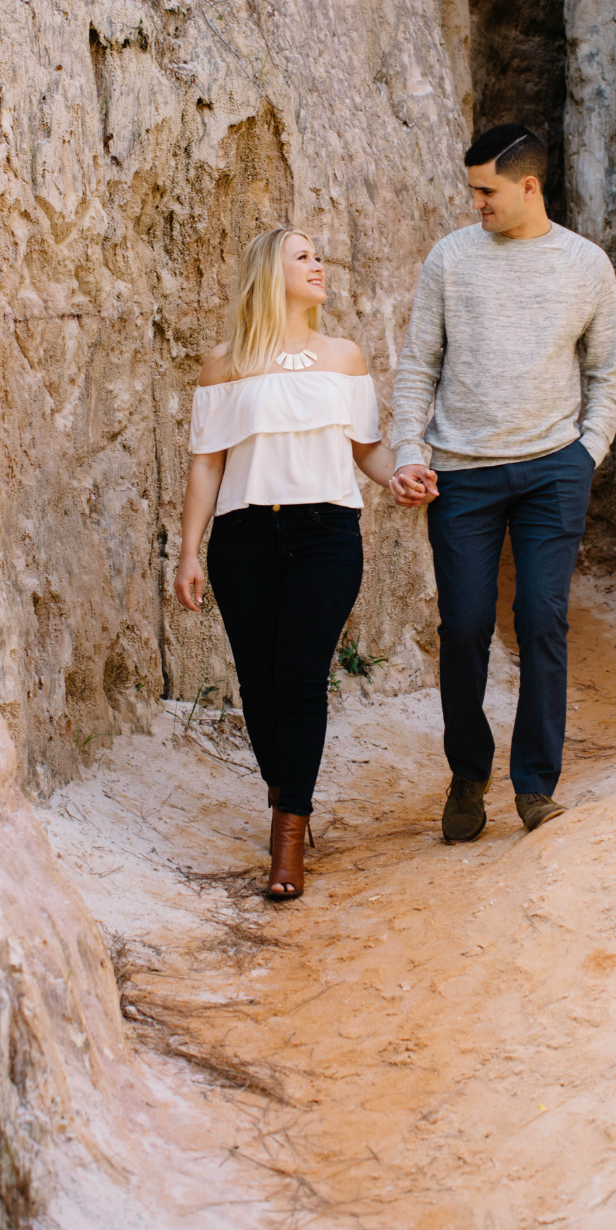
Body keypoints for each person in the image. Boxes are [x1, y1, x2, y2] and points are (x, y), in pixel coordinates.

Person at [387, 123, 616, 845]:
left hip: (555, 466)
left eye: (486, 190)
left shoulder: (585, 264)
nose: (475, 204)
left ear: (528, 187)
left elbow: (607, 372)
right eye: (471, 190)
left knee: (542, 619)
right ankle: (468, 773)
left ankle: (534, 786)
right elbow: (418, 364)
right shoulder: (451, 260)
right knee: (463, 628)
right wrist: (408, 451)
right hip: (461, 473)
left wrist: (587, 453)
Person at [173, 228, 400, 900]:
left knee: (301, 679)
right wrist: (189, 551)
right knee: (259, 685)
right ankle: (286, 787)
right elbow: (207, 462)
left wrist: (404, 478)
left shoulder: (345, 357)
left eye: (318, 255)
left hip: (327, 531)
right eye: (303, 256)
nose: (318, 265)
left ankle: (287, 843)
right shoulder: (226, 363)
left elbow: (368, 450)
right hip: (242, 536)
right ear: (269, 272)